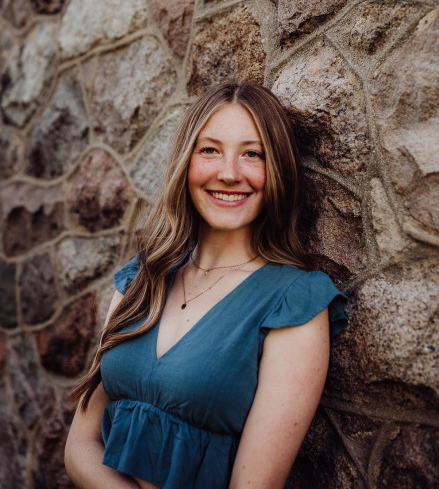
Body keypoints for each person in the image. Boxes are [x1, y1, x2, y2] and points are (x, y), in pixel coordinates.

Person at [64, 82, 347, 489]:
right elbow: (80, 445)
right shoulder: (143, 276)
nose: (229, 174)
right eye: (210, 150)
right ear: (186, 162)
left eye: (253, 154)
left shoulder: (293, 303)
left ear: (278, 170)